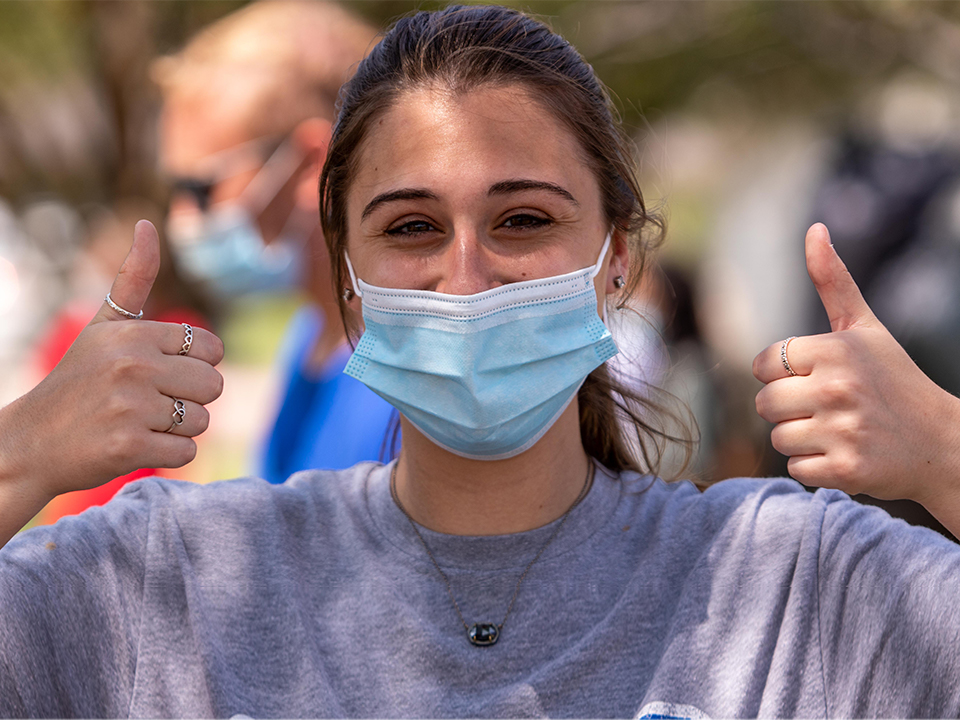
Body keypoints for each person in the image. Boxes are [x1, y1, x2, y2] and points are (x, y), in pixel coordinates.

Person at [2, 5, 960, 717]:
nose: (465, 278)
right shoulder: (169, 580)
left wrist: (944, 451)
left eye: (524, 220)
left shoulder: (798, 585)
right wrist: (25, 450)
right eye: (413, 226)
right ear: (346, 274)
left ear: (617, 255)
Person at [153, 0, 397, 481]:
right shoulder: (306, 338)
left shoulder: (411, 373)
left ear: (310, 164)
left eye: (200, 189)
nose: (180, 219)